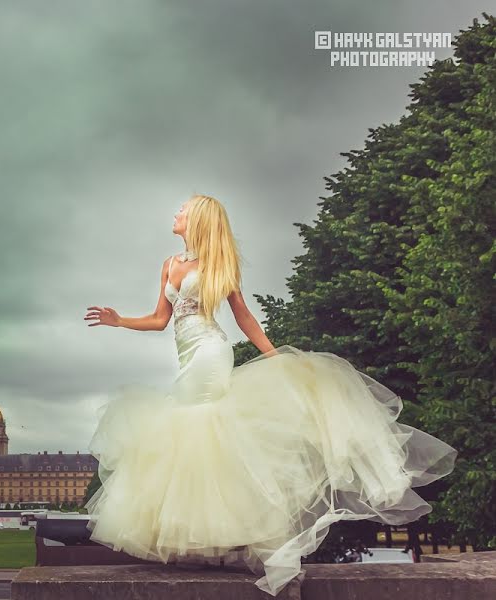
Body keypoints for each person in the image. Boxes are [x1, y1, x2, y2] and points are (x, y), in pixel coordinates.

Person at [82, 194, 457, 597]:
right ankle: (220, 538)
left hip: (209, 354)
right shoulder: (169, 265)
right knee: (194, 440)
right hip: (185, 355)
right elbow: (160, 320)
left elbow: (243, 316)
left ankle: (241, 536)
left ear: (199, 220)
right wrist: (120, 320)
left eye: (183, 209)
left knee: (199, 431)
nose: (176, 214)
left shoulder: (217, 264)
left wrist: (276, 357)